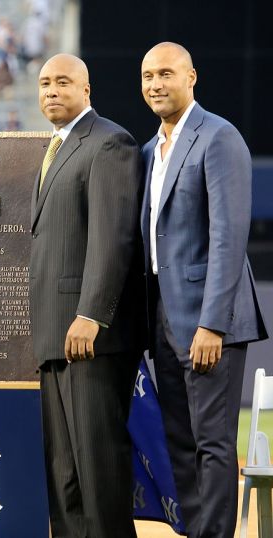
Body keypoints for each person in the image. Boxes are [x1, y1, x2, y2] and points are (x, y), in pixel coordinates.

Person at [140, 42, 268, 538]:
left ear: (192, 77)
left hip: (209, 322)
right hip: (164, 322)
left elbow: (229, 237)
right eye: (148, 75)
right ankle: (195, 530)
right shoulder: (151, 150)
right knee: (179, 440)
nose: (155, 84)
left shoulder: (218, 136)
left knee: (212, 441)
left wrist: (211, 324)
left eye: (166, 73)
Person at [30, 53, 145, 538]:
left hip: (89, 337)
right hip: (54, 335)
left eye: (62, 82)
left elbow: (112, 238)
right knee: (64, 473)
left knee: (98, 472)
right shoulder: (53, 147)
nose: (51, 91)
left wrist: (92, 313)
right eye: (44, 84)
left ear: (86, 89)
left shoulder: (109, 142)